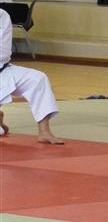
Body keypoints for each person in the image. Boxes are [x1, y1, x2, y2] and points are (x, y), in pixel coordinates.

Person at [0, 8, 63, 144]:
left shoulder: (2, 16)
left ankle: (44, 131)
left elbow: (3, 53)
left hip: (3, 70)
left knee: (37, 79)